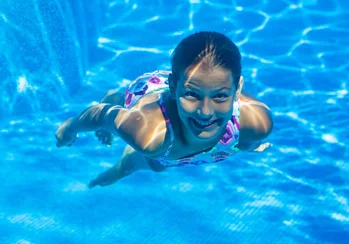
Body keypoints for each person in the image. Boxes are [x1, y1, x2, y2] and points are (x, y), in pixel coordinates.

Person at [55, 31, 273, 188]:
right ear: (173, 87)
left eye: (220, 96)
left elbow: (246, 136)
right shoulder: (149, 133)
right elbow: (101, 115)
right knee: (154, 159)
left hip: (185, 83)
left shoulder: (256, 124)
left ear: (238, 90)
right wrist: (69, 128)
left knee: (159, 161)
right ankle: (115, 100)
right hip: (147, 92)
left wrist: (248, 144)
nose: (205, 112)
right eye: (192, 95)